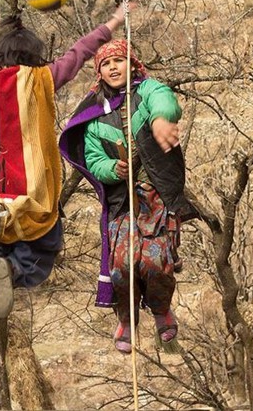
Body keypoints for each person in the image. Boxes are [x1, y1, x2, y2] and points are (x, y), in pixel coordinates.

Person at [0, 3, 129, 318]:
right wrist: (113, 22)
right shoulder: (41, 79)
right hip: (31, 194)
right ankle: (10, 268)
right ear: (34, 56)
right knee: (43, 246)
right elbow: (79, 53)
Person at [59, 38, 198, 353]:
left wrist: (162, 119)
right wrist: (111, 168)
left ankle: (161, 310)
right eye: (106, 64)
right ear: (100, 72)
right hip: (123, 202)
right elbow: (94, 159)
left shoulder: (147, 91)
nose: (112, 67)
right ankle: (126, 314)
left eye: (118, 61)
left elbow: (165, 100)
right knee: (122, 265)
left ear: (131, 64)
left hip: (158, 197)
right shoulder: (94, 114)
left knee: (155, 263)